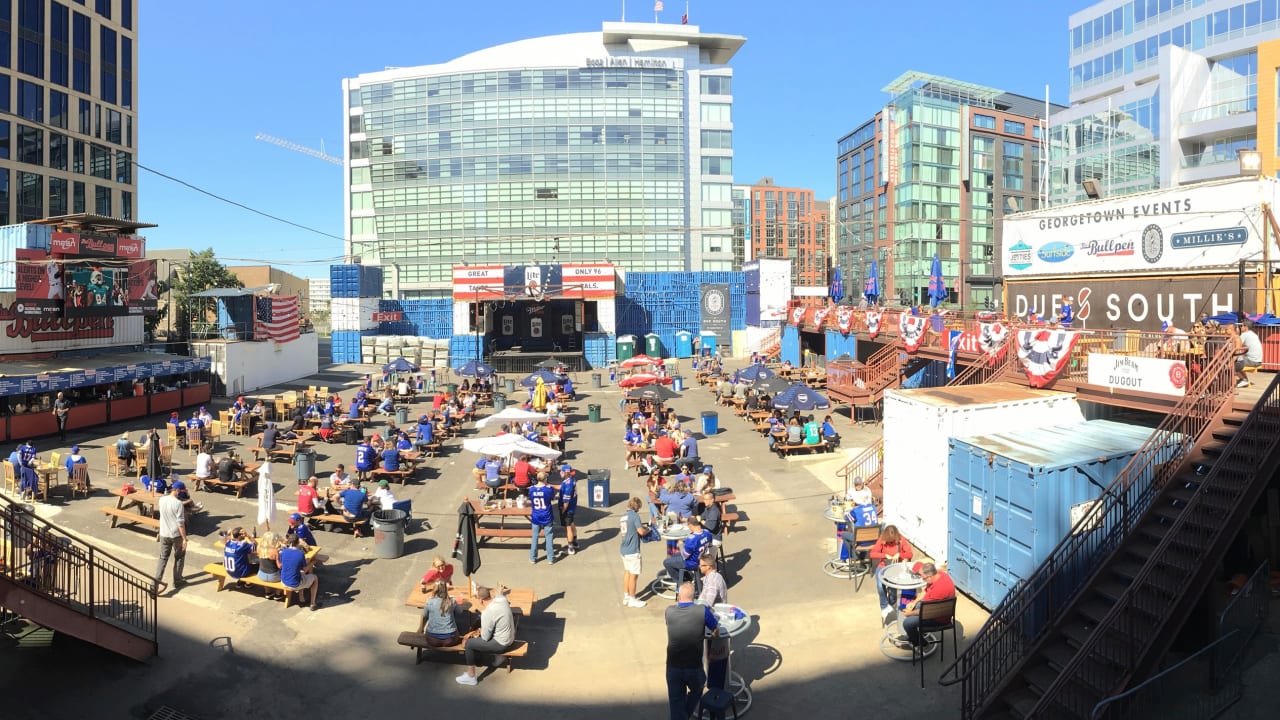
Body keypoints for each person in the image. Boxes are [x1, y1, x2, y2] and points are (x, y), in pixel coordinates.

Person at [665, 582, 718, 720]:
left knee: (676, 701)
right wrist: (712, 635)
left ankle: (681, 717)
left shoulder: (669, 612)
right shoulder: (702, 611)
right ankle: (683, 716)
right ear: (694, 597)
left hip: (673, 666)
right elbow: (715, 630)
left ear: (678, 597)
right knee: (698, 688)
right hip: (693, 666)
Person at [454, 585, 516, 686]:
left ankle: (471, 676)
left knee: (469, 644)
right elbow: (500, 593)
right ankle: (498, 657)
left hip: (501, 644)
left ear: (480, 600)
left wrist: (476, 632)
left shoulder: (488, 613)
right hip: (510, 637)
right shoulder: (501, 599)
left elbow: (485, 637)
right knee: (485, 628)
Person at [901, 562, 956, 646]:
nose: (923, 580)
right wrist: (914, 602)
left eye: (924, 578)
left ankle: (921, 643)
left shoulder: (938, 590)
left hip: (938, 618)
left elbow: (925, 611)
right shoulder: (939, 574)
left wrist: (909, 613)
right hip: (935, 609)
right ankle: (915, 635)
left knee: (907, 623)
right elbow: (926, 590)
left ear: (929, 577)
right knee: (915, 606)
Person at [871, 525, 915, 622]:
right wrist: (884, 555)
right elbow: (872, 553)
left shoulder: (901, 540)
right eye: (889, 541)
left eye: (892, 541)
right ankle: (884, 606)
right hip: (883, 566)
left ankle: (892, 604)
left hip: (895, 567)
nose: (891, 543)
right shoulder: (882, 539)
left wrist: (900, 554)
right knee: (880, 586)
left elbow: (910, 554)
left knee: (892, 589)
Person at [154, 482, 187, 594]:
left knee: (163, 559)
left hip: (164, 533)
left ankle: (155, 585)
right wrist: (184, 539)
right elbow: (180, 524)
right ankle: (177, 580)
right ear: (177, 490)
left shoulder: (162, 500)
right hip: (176, 535)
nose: (181, 494)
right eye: (181, 492)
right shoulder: (178, 504)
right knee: (179, 556)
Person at [619, 496, 650, 608]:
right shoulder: (634, 516)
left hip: (624, 549)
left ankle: (626, 596)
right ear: (637, 507)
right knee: (634, 575)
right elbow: (641, 531)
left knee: (627, 572)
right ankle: (632, 599)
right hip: (633, 550)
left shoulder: (623, 517)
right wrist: (648, 530)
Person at [664, 516, 710, 589]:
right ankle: (686, 577)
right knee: (674, 556)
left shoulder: (692, 539)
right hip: (700, 558)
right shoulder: (707, 533)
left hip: (691, 563)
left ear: (691, 525)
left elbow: (685, 556)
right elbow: (709, 544)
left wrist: (681, 544)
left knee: (666, 562)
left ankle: (682, 582)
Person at [279, 535, 320, 609]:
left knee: (300, 574)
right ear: (298, 542)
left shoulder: (283, 552)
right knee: (315, 578)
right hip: (295, 584)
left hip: (283, 581)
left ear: (289, 542)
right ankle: (312, 603)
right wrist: (313, 563)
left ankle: (302, 598)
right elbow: (304, 569)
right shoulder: (300, 554)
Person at [417, 580, 462, 647]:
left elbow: (425, 616)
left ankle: (420, 630)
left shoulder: (429, 601)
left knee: (423, 614)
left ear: (434, 590)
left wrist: (421, 628)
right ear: (446, 589)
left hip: (432, 639)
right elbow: (460, 611)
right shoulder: (452, 601)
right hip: (450, 639)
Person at [527, 473, 558, 564]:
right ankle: (550, 558)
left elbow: (531, 498)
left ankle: (533, 558)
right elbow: (552, 498)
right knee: (548, 537)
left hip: (536, 516)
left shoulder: (532, 489)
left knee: (535, 537)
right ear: (545, 479)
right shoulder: (548, 490)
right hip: (546, 516)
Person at [255, 532, 285, 599]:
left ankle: (268, 592)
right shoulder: (274, 551)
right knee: (285, 573)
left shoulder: (259, 548)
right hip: (274, 577)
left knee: (266, 568)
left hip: (261, 575)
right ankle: (278, 594)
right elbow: (279, 566)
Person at [558, 464, 579, 556]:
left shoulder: (568, 485)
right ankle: (575, 542)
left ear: (566, 473)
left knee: (568, 527)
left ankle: (570, 548)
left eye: (561, 471)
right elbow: (560, 487)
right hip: (572, 508)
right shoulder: (570, 480)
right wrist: (549, 485)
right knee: (572, 524)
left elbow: (566, 502)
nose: (560, 473)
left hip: (568, 509)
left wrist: (563, 511)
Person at [1236, 321, 1263, 388]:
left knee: (1233, 362)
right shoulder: (1253, 334)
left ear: (1246, 327)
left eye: (1241, 326)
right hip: (1257, 361)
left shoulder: (1245, 334)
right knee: (1239, 358)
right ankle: (1244, 379)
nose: (1240, 327)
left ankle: (1243, 380)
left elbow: (1235, 345)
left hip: (1252, 361)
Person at [257, 460, 276, 532]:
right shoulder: (266, 480)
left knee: (266, 506)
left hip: (265, 492)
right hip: (265, 493)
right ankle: (267, 523)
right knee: (266, 506)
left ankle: (267, 523)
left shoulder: (263, 479)